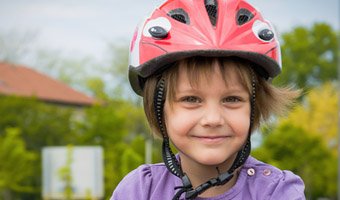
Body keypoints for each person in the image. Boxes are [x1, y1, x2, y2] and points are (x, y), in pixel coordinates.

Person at [111, 0, 306, 199]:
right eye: (191, 99)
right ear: (158, 109)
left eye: (231, 99)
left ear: (254, 106)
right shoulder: (140, 190)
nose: (213, 119)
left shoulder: (277, 192)